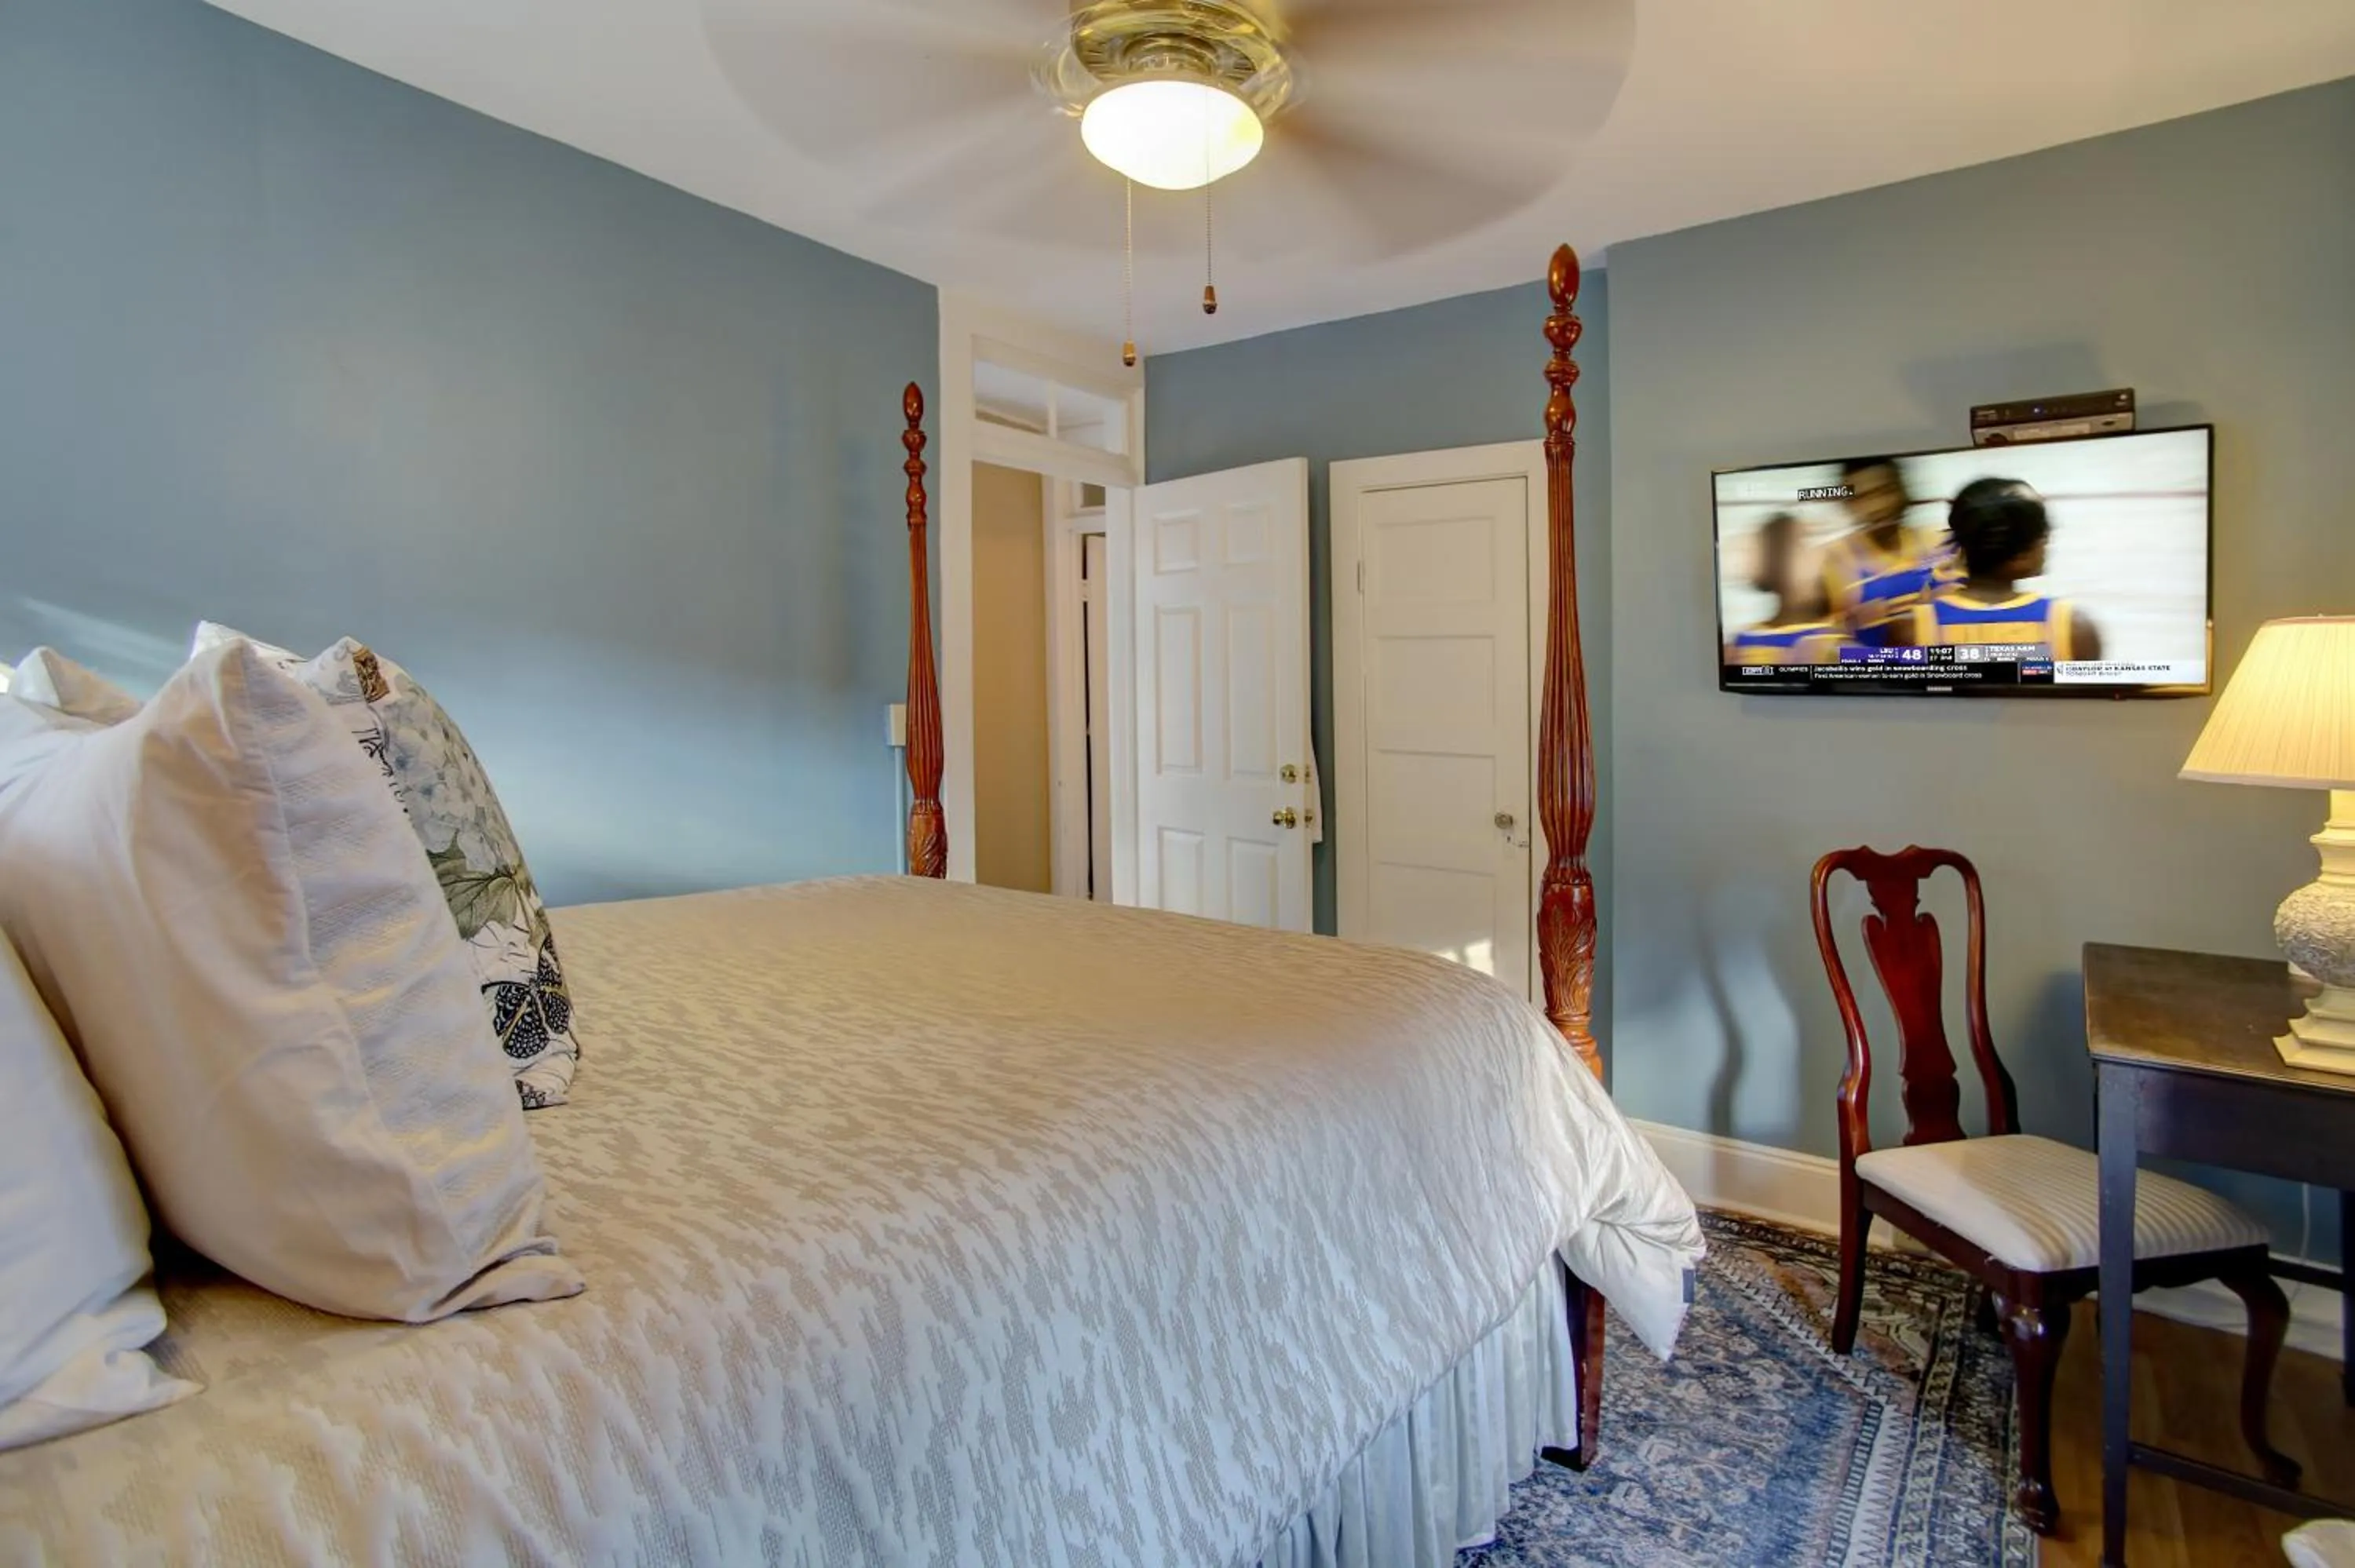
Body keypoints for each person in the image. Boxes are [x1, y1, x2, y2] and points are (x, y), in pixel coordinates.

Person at [1906, 477, 2102, 659]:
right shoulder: (2074, 629)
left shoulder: (1911, 630)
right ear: (2020, 555)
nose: (2047, 540)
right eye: (2043, 531)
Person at [1818, 457, 1954, 647]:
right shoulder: (1831, 564)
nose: (1877, 507)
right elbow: (1824, 655)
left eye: (1885, 492)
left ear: (1903, 491)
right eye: (1862, 498)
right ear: (1847, 504)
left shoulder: (1942, 544)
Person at [1727, 512, 1842, 666]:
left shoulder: (1745, 640)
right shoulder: (1831, 646)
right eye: (1804, 544)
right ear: (1777, 563)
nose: (1820, 553)